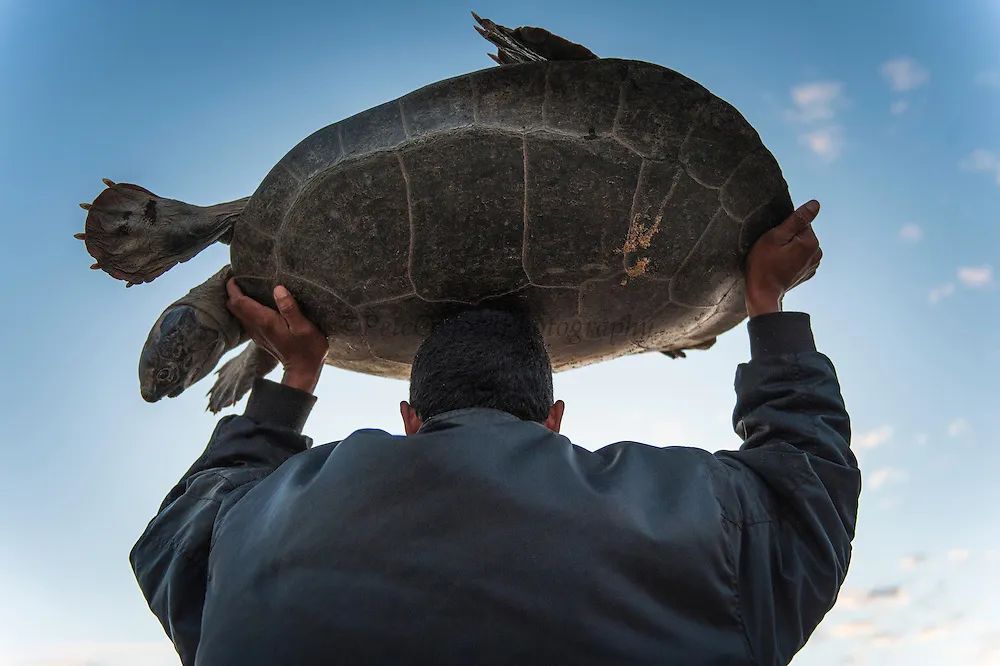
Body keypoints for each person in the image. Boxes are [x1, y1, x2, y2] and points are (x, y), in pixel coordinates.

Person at [130, 199, 861, 666]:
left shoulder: (253, 541)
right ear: (553, 420)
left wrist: (295, 381)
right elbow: (810, 500)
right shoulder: (704, 532)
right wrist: (766, 299)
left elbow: (176, 541)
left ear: (411, 422)